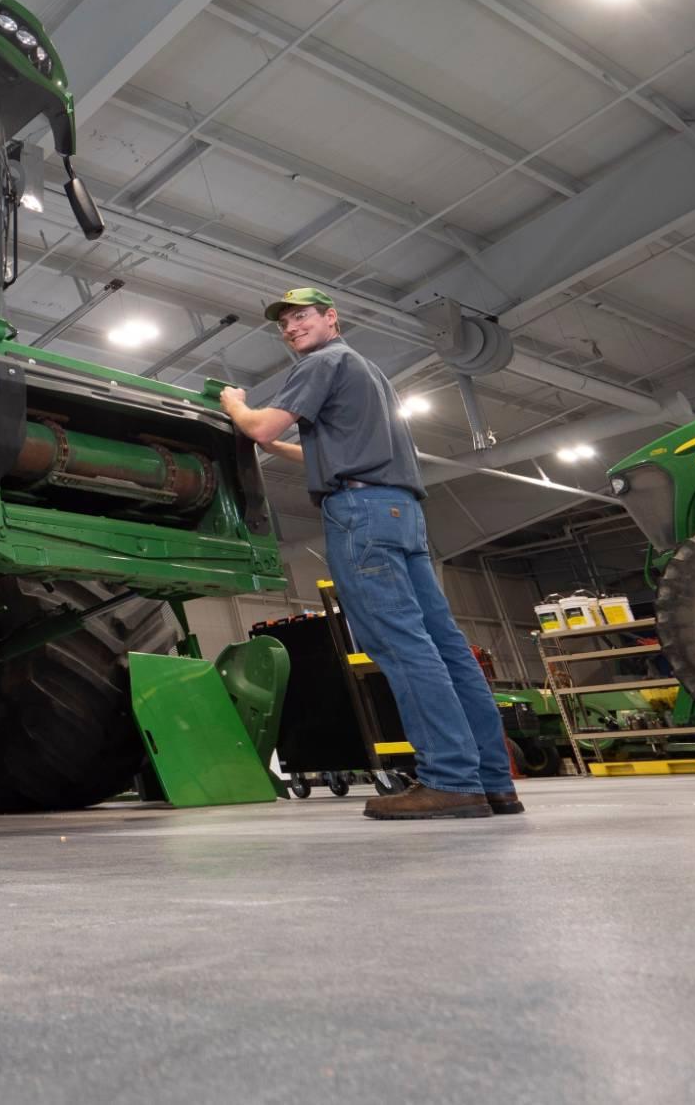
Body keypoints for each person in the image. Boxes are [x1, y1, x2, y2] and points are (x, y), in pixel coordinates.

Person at [219, 287, 520, 821]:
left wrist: (235, 405)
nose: (291, 328)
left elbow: (264, 425)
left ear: (331, 318)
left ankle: (449, 780)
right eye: (284, 323)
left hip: (358, 515)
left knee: (401, 646)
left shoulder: (321, 362)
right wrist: (270, 445)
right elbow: (308, 446)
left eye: (302, 317)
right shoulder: (365, 371)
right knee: (446, 647)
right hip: (400, 512)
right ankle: (493, 783)